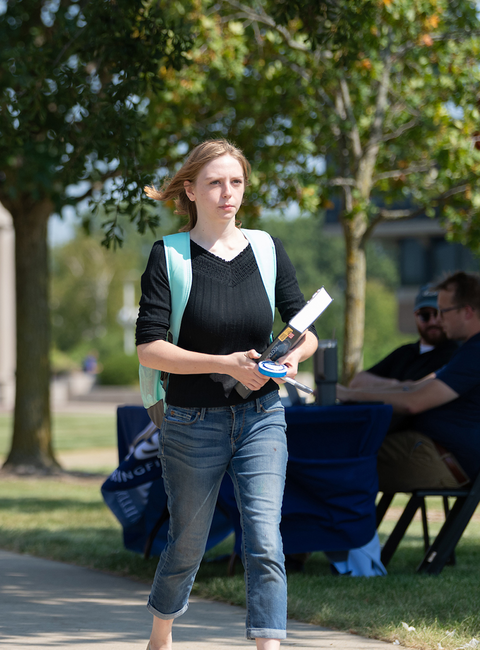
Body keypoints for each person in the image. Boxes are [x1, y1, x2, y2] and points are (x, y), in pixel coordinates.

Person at [136, 139, 317, 650]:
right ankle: (161, 634)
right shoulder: (168, 256)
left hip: (262, 416)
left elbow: (304, 328)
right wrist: (224, 364)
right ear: (190, 190)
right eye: (215, 183)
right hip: (193, 421)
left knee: (264, 538)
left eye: (235, 182)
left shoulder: (266, 248)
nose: (227, 193)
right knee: (188, 544)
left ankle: (267, 645)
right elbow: (150, 349)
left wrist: (290, 357)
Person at [337, 271, 480, 492]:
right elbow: (416, 387)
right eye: (428, 313)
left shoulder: (473, 352)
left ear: (467, 312)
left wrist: (349, 394)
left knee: (341, 460)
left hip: (443, 457)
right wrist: (348, 391)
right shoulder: (469, 350)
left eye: (443, 312)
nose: (439, 320)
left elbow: (414, 402)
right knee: (345, 453)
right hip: (435, 450)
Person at [348, 283, 457, 389]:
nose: (433, 322)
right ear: (416, 315)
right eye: (425, 316)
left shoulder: (457, 353)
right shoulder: (404, 353)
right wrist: (395, 385)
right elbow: (357, 382)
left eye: (438, 314)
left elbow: (419, 392)